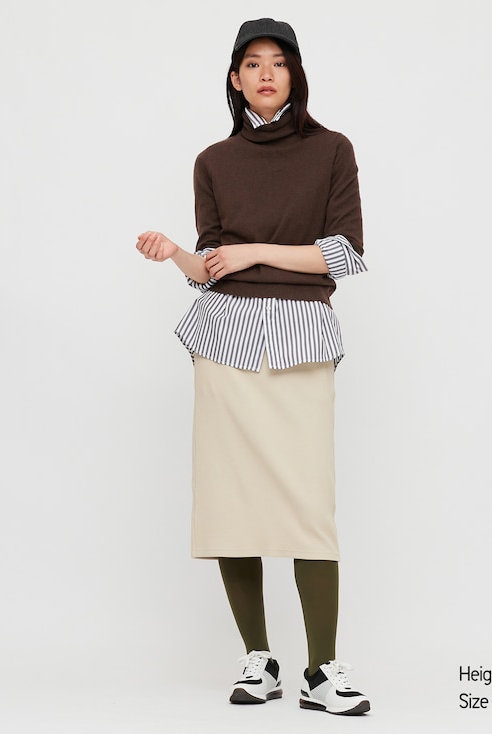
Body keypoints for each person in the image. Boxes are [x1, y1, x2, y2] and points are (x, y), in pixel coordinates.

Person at [135, 17, 370, 716]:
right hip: (225, 339)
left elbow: (344, 254)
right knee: (229, 500)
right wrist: (176, 255)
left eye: (279, 62)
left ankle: (321, 670)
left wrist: (256, 251)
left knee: (308, 503)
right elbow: (211, 267)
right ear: (235, 80)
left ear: (295, 74)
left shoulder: (332, 150)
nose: (267, 73)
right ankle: (259, 659)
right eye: (253, 63)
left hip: (301, 338)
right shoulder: (213, 161)